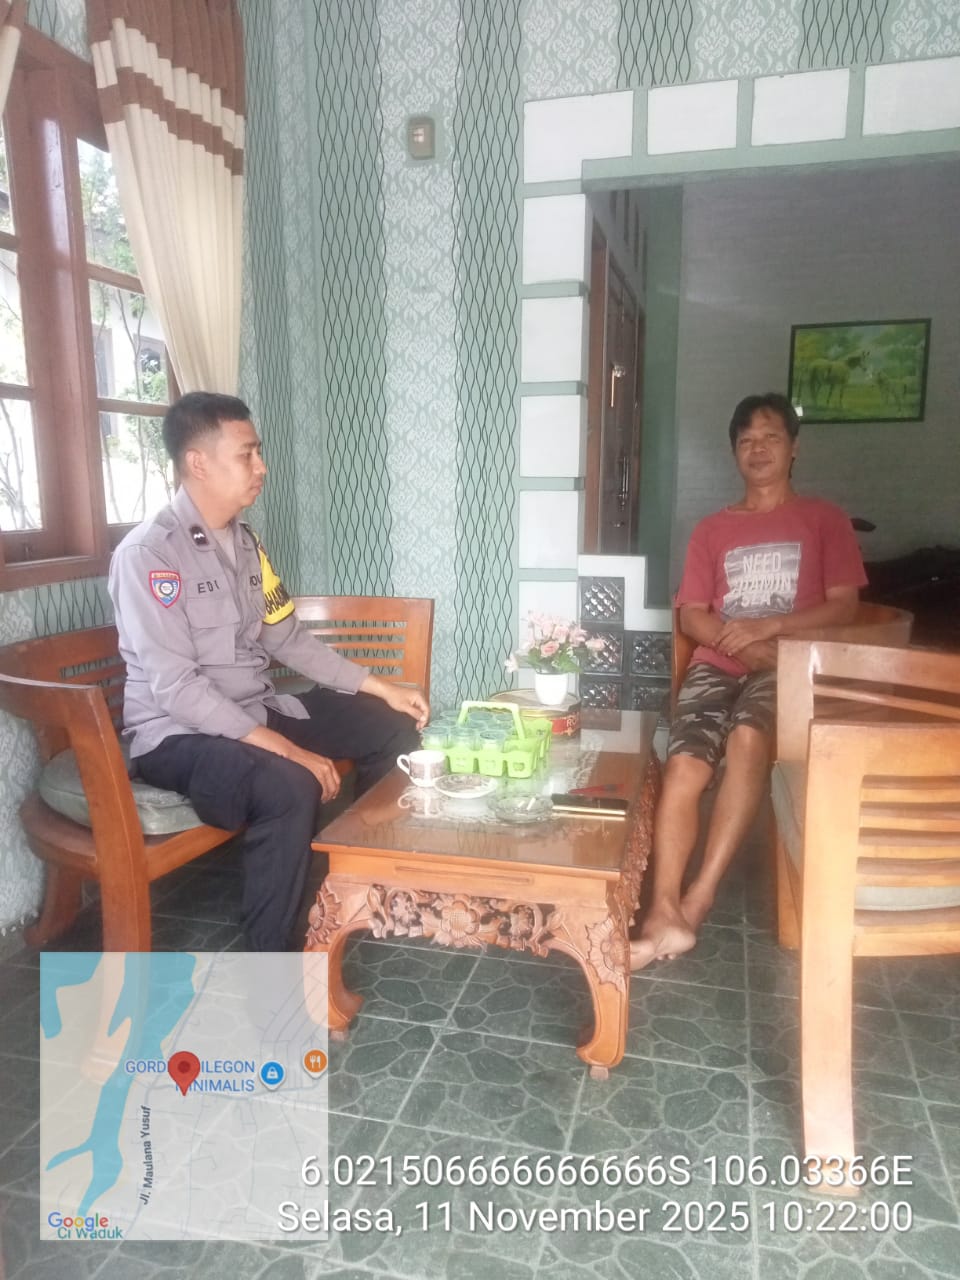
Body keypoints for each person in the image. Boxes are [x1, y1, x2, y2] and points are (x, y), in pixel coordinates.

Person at [108, 391, 427, 951]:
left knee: (391, 724)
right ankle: (272, 964)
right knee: (290, 783)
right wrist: (289, 750)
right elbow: (178, 690)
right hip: (179, 736)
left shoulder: (246, 543)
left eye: (258, 453)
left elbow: (286, 638)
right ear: (198, 463)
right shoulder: (149, 555)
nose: (261, 467)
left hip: (254, 712)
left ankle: (370, 892)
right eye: (247, 454)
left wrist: (383, 688)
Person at [630, 392, 866, 970]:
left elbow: (844, 606)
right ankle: (662, 909)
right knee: (684, 763)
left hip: (789, 668)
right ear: (734, 452)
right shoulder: (712, 529)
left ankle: (698, 898)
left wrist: (771, 628)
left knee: (747, 739)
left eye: (770, 437)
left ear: (794, 448)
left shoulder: (824, 519)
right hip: (718, 663)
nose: (757, 449)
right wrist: (741, 643)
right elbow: (692, 615)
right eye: (746, 440)